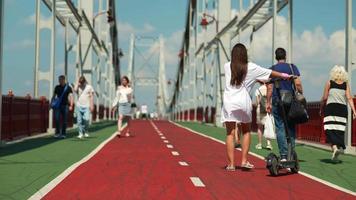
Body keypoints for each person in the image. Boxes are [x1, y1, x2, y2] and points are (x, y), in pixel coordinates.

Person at [222, 43, 291, 171]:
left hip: (229, 101)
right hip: (243, 100)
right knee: (246, 131)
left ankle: (231, 164)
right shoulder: (251, 67)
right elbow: (269, 72)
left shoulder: (227, 66)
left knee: (230, 133)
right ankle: (244, 161)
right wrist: (284, 76)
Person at [266, 47, 303, 162]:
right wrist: (301, 95)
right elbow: (298, 84)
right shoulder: (292, 68)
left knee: (280, 127)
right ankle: (291, 154)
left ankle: (283, 155)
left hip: (277, 101)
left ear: (276, 57)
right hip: (290, 101)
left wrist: (268, 102)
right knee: (291, 127)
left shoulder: (272, 69)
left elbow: (270, 88)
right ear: (285, 56)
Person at [320, 65, 356, 160]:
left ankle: (335, 148)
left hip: (331, 108)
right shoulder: (345, 85)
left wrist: (321, 108)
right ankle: (337, 149)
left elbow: (324, 98)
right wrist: (354, 110)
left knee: (329, 130)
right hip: (342, 110)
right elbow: (349, 98)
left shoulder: (329, 83)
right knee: (339, 131)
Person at [254, 81, 273, 150]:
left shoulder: (257, 90)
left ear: (260, 83)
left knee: (260, 127)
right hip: (268, 109)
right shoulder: (269, 89)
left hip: (260, 109)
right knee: (268, 126)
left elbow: (257, 102)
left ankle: (259, 144)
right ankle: (269, 144)